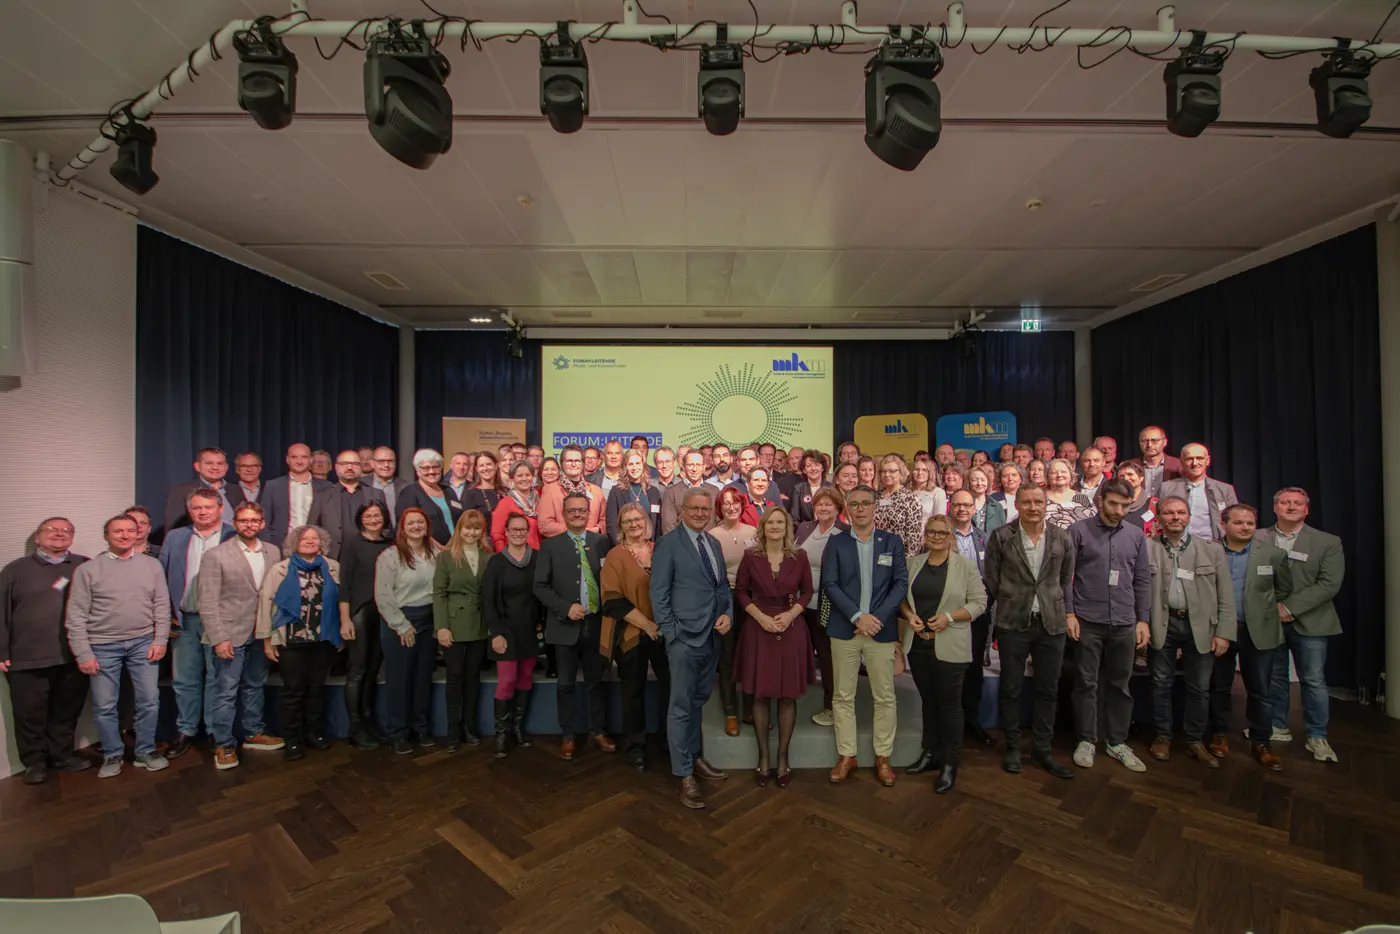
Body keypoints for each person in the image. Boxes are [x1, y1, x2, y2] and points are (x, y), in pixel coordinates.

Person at [67, 515, 170, 778]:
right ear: (106, 535)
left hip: (143, 643)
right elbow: (76, 614)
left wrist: (160, 640)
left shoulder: (152, 566)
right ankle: (112, 754)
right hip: (102, 646)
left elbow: (161, 604)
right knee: (104, 705)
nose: (125, 536)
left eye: (130, 531)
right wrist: (83, 653)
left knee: (149, 701)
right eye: (118, 531)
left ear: (138, 533)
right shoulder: (88, 570)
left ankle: (145, 751)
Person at [984, 485, 1075, 779]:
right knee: (1011, 688)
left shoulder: (1062, 537)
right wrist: (1013, 598)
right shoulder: (1001, 537)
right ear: (1018, 505)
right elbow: (992, 578)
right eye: (1027, 502)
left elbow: (1065, 577)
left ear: (1046, 504)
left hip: (1051, 622)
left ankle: (1042, 749)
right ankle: (1012, 746)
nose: (1033, 507)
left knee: (1048, 689)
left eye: (1038, 501)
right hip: (1013, 621)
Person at [651, 488, 733, 809]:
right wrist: (672, 634)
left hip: (712, 636)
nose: (700, 513)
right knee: (681, 706)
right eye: (694, 508)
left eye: (705, 509)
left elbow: (722, 587)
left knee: (698, 702)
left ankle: (695, 758)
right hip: (684, 639)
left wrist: (727, 613)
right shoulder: (668, 544)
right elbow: (658, 593)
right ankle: (684, 774)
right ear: (682, 509)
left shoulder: (713, 543)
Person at [822, 485, 908, 787]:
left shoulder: (892, 542)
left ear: (875, 508)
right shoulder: (836, 542)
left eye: (865, 504)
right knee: (842, 696)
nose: (860, 509)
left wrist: (877, 619)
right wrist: (858, 616)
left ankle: (883, 756)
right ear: (847, 508)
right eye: (854, 504)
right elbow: (830, 585)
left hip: (880, 630)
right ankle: (847, 755)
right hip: (845, 629)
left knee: (884, 696)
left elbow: (900, 585)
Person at [1066, 479, 1152, 772]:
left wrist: (1143, 619)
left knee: (1120, 684)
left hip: (1125, 621)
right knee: (1086, 684)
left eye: (1125, 506)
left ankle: (1116, 742)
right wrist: (1069, 614)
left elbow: (1142, 579)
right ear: (1100, 500)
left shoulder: (1136, 536)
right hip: (1088, 620)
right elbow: (1066, 577)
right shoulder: (1078, 531)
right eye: (1113, 503)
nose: (1118, 510)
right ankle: (1087, 740)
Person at [898, 514, 988, 794]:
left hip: (950, 646)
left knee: (949, 706)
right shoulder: (914, 563)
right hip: (919, 644)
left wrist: (950, 617)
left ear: (951, 536)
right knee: (928, 701)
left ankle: (950, 763)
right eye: (932, 532)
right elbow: (902, 598)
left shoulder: (966, 566)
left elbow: (980, 603)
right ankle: (930, 752)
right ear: (926, 535)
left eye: (942, 533)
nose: (936, 537)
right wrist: (909, 615)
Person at [1145, 496, 1235, 769]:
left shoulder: (1212, 550)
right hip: (1162, 623)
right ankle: (1163, 736)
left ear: (1188, 517)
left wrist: (1224, 632)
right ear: (1159, 518)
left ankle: (1195, 739)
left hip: (1201, 626)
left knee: (1200, 687)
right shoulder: (1146, 548)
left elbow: (1226, 595)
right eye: (1169, 513)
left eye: (1180, 512)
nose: (1175, 517)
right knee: (1161, 684)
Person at [1, 518, 91, 784]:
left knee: (66, 711)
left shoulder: (84, 566)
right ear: (37, 538)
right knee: (30, 714)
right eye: (51, 529)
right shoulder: (15, 570)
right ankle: (34, 763)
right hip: (26, 658)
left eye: (66, 530)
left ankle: (62, 756)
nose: (59, 534)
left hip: (74, 656)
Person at [196, 503, 285, 770]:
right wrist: (218, 637)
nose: (249, 525)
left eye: (255, 520)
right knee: (225, 691)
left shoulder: (273, 551)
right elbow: (207, 600)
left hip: (261, 632)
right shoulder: (216, 555)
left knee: (255, 685)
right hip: (229, 633)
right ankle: (223, 744)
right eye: (244, 520)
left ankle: (253, 732)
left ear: (262, 523)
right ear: (235, 523)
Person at [1259, 487, 1344, 763]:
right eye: (1285, 503)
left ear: (1306, 509)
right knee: (1275, 677)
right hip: (1270, 620)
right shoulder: (1259, 537)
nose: (1291, 507)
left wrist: (1290, 607)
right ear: (1275, 507)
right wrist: (1272, 608)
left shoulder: (1327, 542)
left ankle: (1317, 735)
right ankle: (1278, 726)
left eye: (1297, 503)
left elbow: (1329, 584)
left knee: (1313, 680)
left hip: (1312, 621)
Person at [733, 505, 813, 788]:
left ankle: (782, 758)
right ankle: (763, 757)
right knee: (759, 696)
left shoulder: (799, 556)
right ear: (763, 527)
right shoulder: (750, 556)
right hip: (758, 628)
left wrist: (792, 614)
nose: (776, 527)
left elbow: (807, 592)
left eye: (781, 522)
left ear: (787, 527)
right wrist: (759, 616)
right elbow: (741, 591)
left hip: (791, 628)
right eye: (771, 522)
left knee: (787, 697)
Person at [534, 492, 613, 759]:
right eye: (572, 510)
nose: (578, 514)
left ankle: (598, 731)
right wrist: (565, 608)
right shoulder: (550, 546)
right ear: (564, 514)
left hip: (596, 624)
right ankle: (567, 736)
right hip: (563, 625)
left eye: (582, 510)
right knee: (565, 684)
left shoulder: (602, 542)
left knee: (595, 682)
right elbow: (540, 586)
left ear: (589, 512)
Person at [159, 488, 236, 759]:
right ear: (189, 510)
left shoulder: (233, 536)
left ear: (220, 509)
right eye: (196, 508)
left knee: (218, 678)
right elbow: (162, 578)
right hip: (185, 619)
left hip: (220, 621)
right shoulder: (175, 537)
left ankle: (216, 730)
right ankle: (186, 730)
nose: (202, 512)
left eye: (208, 507)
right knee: (184, 679)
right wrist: (166, 613)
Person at [1215, 504, 1291, 770]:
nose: (1245, 527)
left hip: (1258, 632)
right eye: (1239, 523)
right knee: (1220, 687)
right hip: (1222, 631)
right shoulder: (1210, 551)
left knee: (1260, 691)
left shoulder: (1273, 554)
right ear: (1224, 524)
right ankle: (1219, 735)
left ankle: (1261, 742)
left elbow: (1284, 589)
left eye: (1250, 523)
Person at [257, 525, 340, 760]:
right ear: (294, 543)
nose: (310, 541)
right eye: (304, 538)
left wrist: (341, 634)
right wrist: (267, 641)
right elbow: (265, 605)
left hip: (323, 640)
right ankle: (293, 739)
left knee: (316, 689)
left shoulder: (333, 568)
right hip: (291, 640)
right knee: (293, 691)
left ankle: (314, 733)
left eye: (315, 538)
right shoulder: (280, 570)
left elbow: (341, 603)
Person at [601, 501, 671, 771]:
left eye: (638, 519)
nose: (634, 524)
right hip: (632, 632)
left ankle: (668, 739)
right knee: (633, 691)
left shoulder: (660, 550)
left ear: (647, 522)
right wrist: (648, 626)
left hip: (665, 633)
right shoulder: (616, 556)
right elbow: (612, 601)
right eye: (627, 521)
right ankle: (636, 747)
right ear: (620, 527)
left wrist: (661, 626)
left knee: (670, 686)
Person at [375, 508, 440, 755]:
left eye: (420, 522)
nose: (416, 526)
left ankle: (420, 727)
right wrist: (402, 625)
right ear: (402, 527)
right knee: (400, 679)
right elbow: (383, 595)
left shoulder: (434, 552)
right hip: (399, 621)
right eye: (410, 523)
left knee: (423, 677)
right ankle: (398, 732)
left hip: (429, 619)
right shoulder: (390, 556)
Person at [434, 509, 493, 752]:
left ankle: (469, 726)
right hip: (454, 624)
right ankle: (453, 730)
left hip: (479, 623)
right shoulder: (446, 557)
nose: (471, 532)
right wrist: (442, 627)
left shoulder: (489, 556)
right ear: (459, 529)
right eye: (467, 527)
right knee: (455, 677)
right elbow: (438, 594)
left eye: (476, 528)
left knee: (472, 678)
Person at [482, 513, 540, 757]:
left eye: (522, 529)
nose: (518, 533)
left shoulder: (537, 559)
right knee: (506, 682)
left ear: (528, 532)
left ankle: (518, 729)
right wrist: (496, 632)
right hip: (504, 632)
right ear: (505, 532)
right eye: (513, 529)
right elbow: (487, 601)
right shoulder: (496, 562)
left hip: (529, 631)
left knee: (525, 680)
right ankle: (501, 734)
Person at [338, 501, 392, 748]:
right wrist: (345, 619)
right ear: (361, 519)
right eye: (368, 516)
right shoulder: (352, 543)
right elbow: (344, 584)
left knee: (373, 669)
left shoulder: (390, 544)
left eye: (377, 515)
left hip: (384, 613)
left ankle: (369, 721)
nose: (373, 519)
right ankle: (355, 726)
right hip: (360, 611)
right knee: (357, 670)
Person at [797, 488, 846, 728]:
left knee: (827, 658)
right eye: (819, 504)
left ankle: (832, 706)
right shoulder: (805, 528)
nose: (823, 508)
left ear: (838, 508)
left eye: (829, 504)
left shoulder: (844, 533)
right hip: (800, 604)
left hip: (828, 606)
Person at [711, 486, 758, 736]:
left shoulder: (753, 533)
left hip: (751, 600)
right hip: (724, 599)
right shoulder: (712, 535)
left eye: (735, 502)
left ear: (742, 505)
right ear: (720, 506)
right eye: (726, 503)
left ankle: (750, 709)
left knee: (751, 656)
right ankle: (731, 712)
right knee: (727, 657)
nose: (731, 506)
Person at [263, 443, 339, 548]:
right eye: (294, 457)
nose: (299, 461)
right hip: (281, 546)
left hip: (315, 547)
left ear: (311, 460)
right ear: (287, 459)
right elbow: (264, 520)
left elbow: (332, 522)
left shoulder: (327, 487)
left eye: (304, 457)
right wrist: (269, 547)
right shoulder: (273, 486)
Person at [1159, 443, 1237, 543]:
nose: (1195, 463)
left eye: (1199, 458)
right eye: (1189, 459)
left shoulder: (1225, 489)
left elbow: (1234, 521)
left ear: (1207, 460)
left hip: (1213, 546)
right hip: (1176, 546)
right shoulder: (1167, 488)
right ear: (1182, 462)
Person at [162, 447, 239, 538]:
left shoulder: (236, 490)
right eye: (209, 463)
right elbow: (173, 528)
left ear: (226, 467)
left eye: (220, 463)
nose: (215, 467)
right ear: (197, 466)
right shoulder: (181, 491)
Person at [396, 449, 464, 547]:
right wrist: (440, 549)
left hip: (456, 549)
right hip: (428, 551)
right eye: (426, 468)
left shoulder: (449, 490)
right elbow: (408, 528)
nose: (431, 471)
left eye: (436, 467)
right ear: (417, 470)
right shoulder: (409, 493)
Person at [329, 449, 386, 560]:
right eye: (345, 464)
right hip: (334, 558)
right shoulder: (323, 496)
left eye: (355, 464)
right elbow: (314, 529)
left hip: (370, 557)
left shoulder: (376, 494)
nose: (350, 468)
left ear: (361, 467)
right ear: (336, 467)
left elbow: (386, 527)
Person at [539, 445, 607, 539]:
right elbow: (544, 525)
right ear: (562, 464)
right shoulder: (550, 490)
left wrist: (598, 529)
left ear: (583, 464)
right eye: (569, 461)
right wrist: (578, 531)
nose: (573, 464)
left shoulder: (596, 491)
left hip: (591, 545)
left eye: (577, 461)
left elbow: (605, 520)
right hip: (563, 545)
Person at [874, 454, 925, 559]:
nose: (887, 475)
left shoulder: (911, 500)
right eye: (883, 471)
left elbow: (913, 538)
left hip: (898, 557)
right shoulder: (875, 497)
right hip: (874, 554)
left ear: (901, 472)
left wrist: (908, 563)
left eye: (892, 471)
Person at [607, 450, 663, 544]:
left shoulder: (654, 492)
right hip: (625, 547)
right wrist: (623, 548)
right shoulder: (616, 492)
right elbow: (611, 525)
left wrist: (656, 547)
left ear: (643, 465)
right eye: (630, 464)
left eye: (637, 463)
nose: (634, 468)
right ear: (625, 467)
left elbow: (657, 525)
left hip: (650, 548)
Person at [490, 462, 544, 552]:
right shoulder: (505, 503)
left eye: (528, 475)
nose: (524, 479)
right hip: (515, 557)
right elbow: (497, 535)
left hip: (540, 556)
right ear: (512, 479)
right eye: (519, 476)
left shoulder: (540, 500)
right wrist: (505, 559)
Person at [661, 451, 715, 535]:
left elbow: (719, 523)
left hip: (708, 544)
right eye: (690, 465)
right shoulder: (671, 492)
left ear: (704, 467)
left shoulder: (714, 491)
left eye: (698, 465)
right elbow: (668, 527)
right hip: (681, 545)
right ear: (683, 466)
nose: (694, 469)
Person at [461, 452, 507, 533]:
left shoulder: (506, 491)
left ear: (496, 466)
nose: (485, 468)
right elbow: (467, 524)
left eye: (489, 464)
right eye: (481, 465)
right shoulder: (470, 494)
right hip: (483, 541)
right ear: (476, 469)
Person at [1044, 458, 1095, 530]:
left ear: (1071, 475)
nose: (1059, 475)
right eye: (1053, 473)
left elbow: (1094, 525)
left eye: (1063, 472)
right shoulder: (1039, 498)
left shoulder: (1084, 499)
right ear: (1047, 477)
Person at [369, 446, 413, 524]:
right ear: (372, 463)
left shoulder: (405, 487)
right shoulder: (362, 485)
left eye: (390, 461)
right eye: (381, 461)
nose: (386, 465)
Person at [1115, 460, 1157, 535]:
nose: (1126, 478)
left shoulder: (1154, 504)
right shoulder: (1113, 503)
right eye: (1122, 476)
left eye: (1130, 474)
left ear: (1141, 478)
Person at [1137, 425, 1181, 497]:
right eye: (1144, 441)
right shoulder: (1130, 465)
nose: (1149, 445)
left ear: (1165, 442)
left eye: (1155, 441)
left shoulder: (1177, 465)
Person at [790, 451, 833, 524]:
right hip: (807, 532)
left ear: (822, 468)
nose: (813, 469)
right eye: (809, 466)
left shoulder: (832, 487)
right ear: (804, 470)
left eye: (817, 465)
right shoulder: (798, 489)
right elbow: (794, 519)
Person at [965, 465, 1006, 534]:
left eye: (983, 480)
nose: (979, 483)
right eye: (974, 480)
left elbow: (1003, 532)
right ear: (969, 483)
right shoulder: (961, 503)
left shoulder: (997, 506)